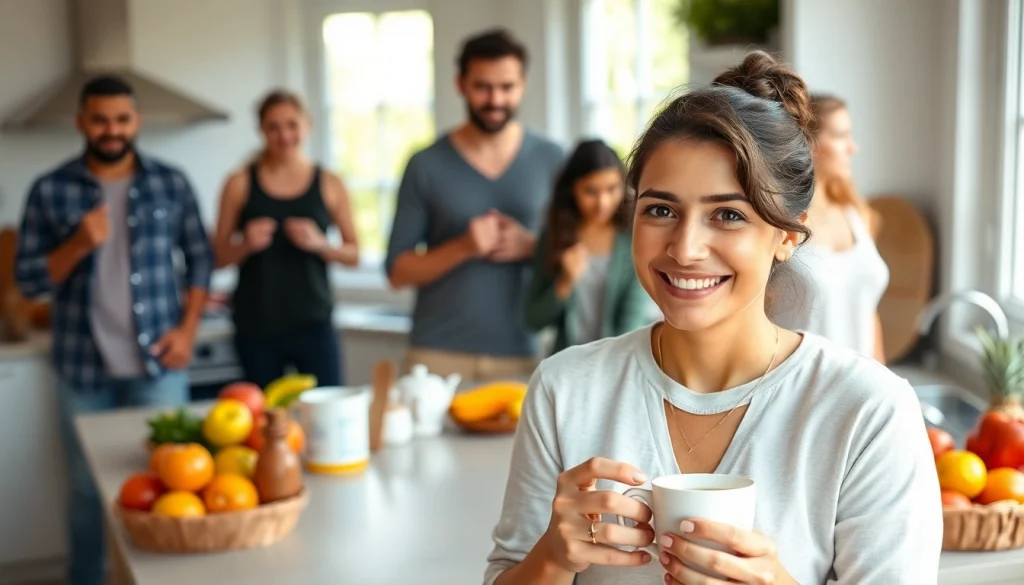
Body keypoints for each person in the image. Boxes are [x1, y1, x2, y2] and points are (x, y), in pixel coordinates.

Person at [484, 52, 940, 585]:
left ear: (788, 235)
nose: (686, 248)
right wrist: (552, 559)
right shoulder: (565, 389)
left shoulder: (868, 412)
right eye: (660, 210)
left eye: (728, 215)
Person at [14, 75, 213, 585]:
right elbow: (29, 282)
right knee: (87, 488)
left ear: (136, 121)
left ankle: (169, 577)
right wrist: (79, 242)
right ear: (81, 122)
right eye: (100, 119)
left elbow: (201, 260)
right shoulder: (51, 188)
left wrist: (188, 331)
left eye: (121, 119)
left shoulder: (170, 182)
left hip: (159, 363)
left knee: (173, 485)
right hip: (84, 368)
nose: (111, 130)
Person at [385, 28, 563, 381]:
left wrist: (532, 246)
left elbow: (589, 253)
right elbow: (397, 270)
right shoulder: (425, 165)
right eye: (482, 87)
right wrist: (463, 247)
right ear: (460, 84)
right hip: (435, 355)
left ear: (522, 84)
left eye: (507, 87)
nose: (495, 99)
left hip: (522, 354)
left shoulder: (554, 159)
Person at [212, 90, 358, 388]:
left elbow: (354, 254)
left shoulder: (330, 183)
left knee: (324, 416)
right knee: (263, 421)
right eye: (273, 127)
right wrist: (245, 245)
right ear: (261, 130)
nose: (284, 135)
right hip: (256, 327)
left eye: (292, 125)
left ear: (307, 125)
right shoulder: (239, 183)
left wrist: (321, 244)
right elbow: (217, 258)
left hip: (314, 324)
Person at [766, 94, 889, 362]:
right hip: (799, 390)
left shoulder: (859, 215)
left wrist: (885, 384)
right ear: (809, 143)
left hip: (860, 391)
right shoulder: (779, 222)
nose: (852, 148)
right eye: (841, 136)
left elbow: (869, 315)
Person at [525, 139, 649, 355]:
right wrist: (565, 282)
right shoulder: (554, 237)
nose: (603, 202)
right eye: (590, 191)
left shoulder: (635, 237)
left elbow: (633, 317)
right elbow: (533, 320)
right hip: (566, 366)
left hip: (619, 362)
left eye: (612, 188)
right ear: (572, 189)